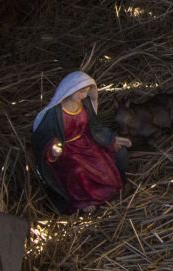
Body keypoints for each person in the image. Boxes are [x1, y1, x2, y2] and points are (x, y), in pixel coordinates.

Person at [30, 71, 131, 213]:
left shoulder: (84, 105)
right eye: (81, 92)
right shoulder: (55, 113)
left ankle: (106, 194)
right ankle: (83, 201)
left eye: (87, 91)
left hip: (86, 143)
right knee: (78, 170)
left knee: (104, 162)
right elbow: (42, 135)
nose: (84, 95)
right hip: (67, 150)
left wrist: (111, 139)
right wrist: (53, 146)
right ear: (70, 90)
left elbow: (95, 126)